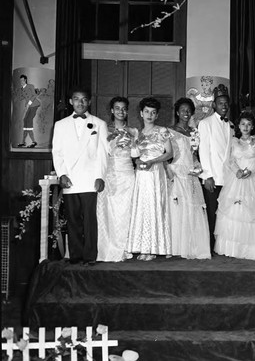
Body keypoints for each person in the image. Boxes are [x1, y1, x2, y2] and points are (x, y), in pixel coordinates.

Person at [52, 86, 108, 266]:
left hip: (90, 179)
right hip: (71, 178)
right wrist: (62, 174)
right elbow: (57, 152)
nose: (80, 103)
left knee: (90, 220)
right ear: (71, 101)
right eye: (76, 99)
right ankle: (75, 256)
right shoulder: (60, 125)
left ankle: (90, 256)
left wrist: (100, 176)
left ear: (89, 102)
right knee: (73, 219)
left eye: (84, 99)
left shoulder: (99, 124)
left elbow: (103, 153)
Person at [215, 112, 255, 260]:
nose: (246, 127)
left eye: (249, 124)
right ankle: (233, 249)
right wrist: (237, 171)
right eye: (243, 124)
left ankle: (251, 250)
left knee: (252, 212)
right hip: (236, 180)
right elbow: (229, 160)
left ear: (253, 126)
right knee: (235, 212)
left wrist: (251, 171)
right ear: (238, 125)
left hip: (253, 179)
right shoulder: (233, 141)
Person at [126, 97, 173, 261]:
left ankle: (154, 248)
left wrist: (153, 161)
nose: (149, 115)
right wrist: (137, 161)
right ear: (141, 113)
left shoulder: (162, 131)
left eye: (153, 112)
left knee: (155, 205)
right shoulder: (138, 134)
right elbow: (135, 154)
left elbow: (169, 153)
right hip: (142, 174)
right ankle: (143, 247)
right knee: (143, 207)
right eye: (147, 111)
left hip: (155, 171)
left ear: (157, 115)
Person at [168, 97, 211, 259]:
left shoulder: (194, 132)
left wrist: (198, 166)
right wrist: (170, 170)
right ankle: (178, 247)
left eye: (189, 110)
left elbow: (194, 155)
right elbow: (167, 155)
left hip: (192, 174)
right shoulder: (170, 131)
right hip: (177, 172)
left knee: (194, 209)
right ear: (177, 112)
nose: (186, 113)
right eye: (183, 110)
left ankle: (193, 246)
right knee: (179, 209)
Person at [96, 97, 139, 262]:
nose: (121, 111)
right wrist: (114, 143)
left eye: (124, 108)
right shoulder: (105, 130)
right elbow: (101, 153)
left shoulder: (134, 131)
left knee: (126, 212)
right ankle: (109, 246)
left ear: (127, 111)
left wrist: (132, 144)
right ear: (112, 111)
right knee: (110, 212)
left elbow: (136, 154)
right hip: (111, 173)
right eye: (117, 108)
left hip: (128, 174)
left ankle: (125, 247)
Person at [198, 85, 234, 252]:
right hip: (213, 178)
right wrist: (207, 176)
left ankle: (224, 246)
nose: (224, 106)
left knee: (226, 215)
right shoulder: (205, 123)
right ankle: (211, 247)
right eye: (220, 103)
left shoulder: (232, 125)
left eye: (226, 103)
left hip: (228, 179)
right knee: (212, 214)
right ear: (214, 105)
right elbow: (203, 151)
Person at [17, 75, 40, 148]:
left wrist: (29, 103)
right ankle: (23, 142)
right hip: (29, 106)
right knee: (25, 120)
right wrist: (17, 92)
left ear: (25, 80)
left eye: (23, 80)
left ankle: (34, 142)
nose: (21, 82)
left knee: (29, 120)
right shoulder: (22, 89)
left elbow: (34, 95)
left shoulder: (30, 86)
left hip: (34, 104)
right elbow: (21, 98)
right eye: (20, 81)